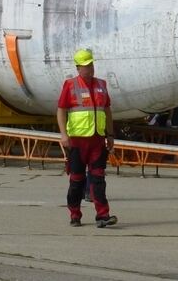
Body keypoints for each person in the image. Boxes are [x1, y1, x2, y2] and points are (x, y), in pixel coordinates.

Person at [57, 48, 117, 228]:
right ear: (78, 68)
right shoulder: (70, 85)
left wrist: (111, 135)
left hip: (97, 140)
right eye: (85, 66)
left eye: (91, 65)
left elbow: (107, 111)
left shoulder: (102, 85)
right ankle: (75, 214)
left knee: (98, 178)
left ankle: (103, 215)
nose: (89, 69)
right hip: (77, 140)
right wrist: (63, 135)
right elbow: (61, 110)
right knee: (76, 180)